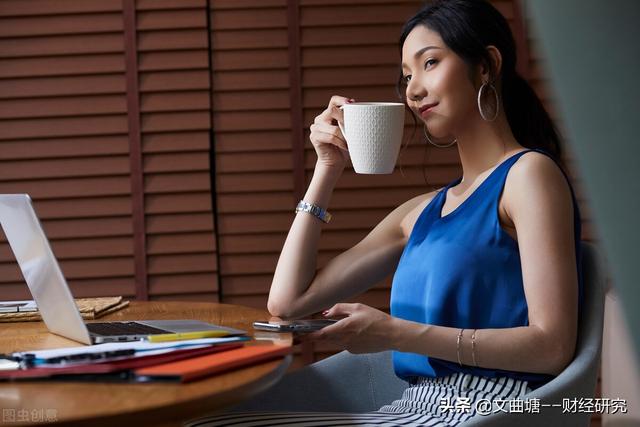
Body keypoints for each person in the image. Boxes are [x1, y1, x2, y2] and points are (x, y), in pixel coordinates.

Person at [187, 0, 582, 425]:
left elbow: (552, 347)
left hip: (487, 411)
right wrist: (327, 168)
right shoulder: (421, 211)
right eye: (407, 75)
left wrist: (394, 333)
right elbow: (287, 305)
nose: (412, 90)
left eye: (430, 63)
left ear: (486, 65)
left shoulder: (528, 175)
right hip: (412, 407)